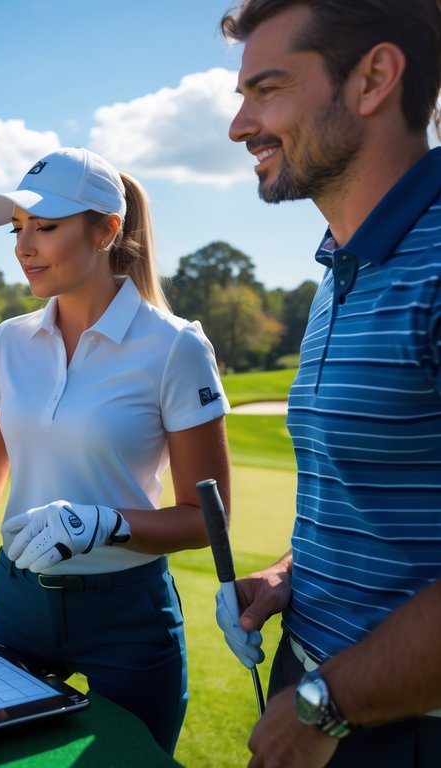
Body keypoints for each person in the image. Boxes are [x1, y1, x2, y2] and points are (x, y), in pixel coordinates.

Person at [0, 147, 232, 753]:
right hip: (16, 602)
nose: (24, 247)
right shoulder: (8, 342)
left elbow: (207, 519)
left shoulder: (176, 348)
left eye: (45, 227)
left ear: (106, 230)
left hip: (129, 616)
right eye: (17, 229)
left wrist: (105, 523)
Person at [214, 2, 441, 766]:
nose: (239, 126)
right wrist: (288, 575)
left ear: (373, 79)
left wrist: (326, 704)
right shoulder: (337, 266)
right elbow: (375, 501)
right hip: (318, 689)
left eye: (266, 89)